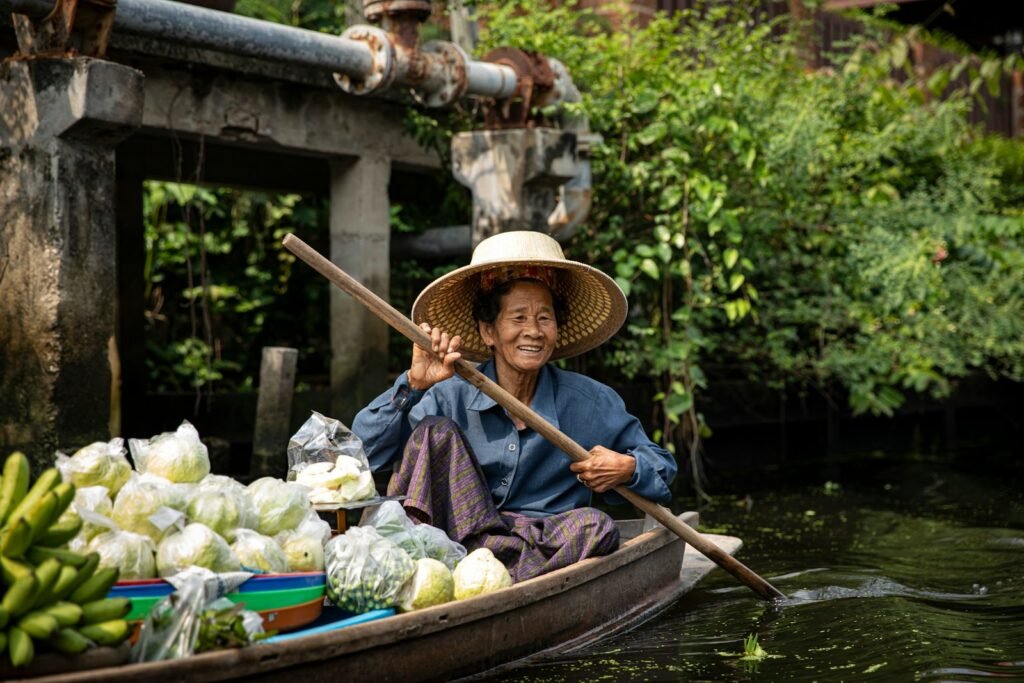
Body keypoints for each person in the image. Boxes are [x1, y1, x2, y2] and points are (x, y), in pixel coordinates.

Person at [352, 231, 676, 582]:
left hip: (540, 541)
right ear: (488, 331)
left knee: (595, 526)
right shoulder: (447, 393)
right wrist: (413, 386)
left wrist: (627, 468)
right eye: (519, 318)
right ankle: (476, 574)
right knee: (434, 432)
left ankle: (505, 582)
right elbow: (360, 458)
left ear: (557, 328)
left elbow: (663, 468)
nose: (533, 331)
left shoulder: (591, 402)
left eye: (544, 318)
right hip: (455, 537)